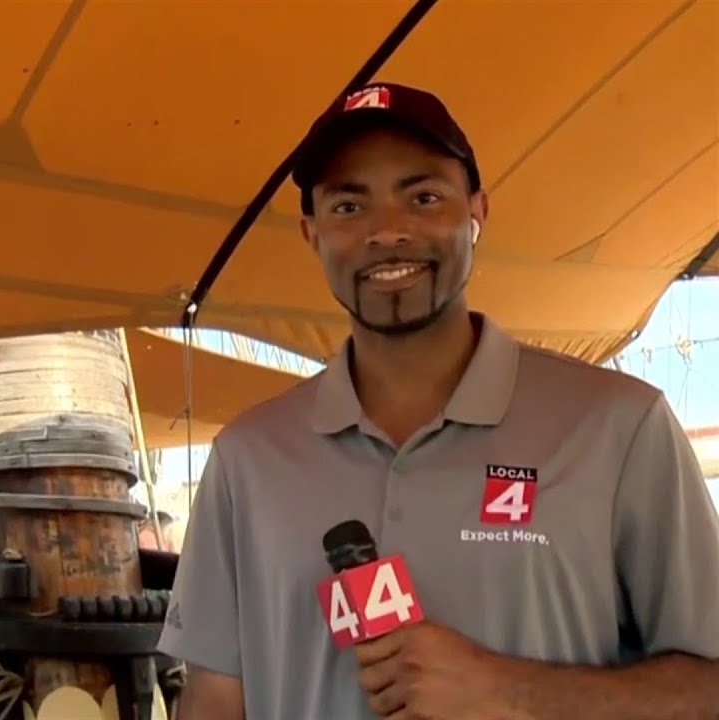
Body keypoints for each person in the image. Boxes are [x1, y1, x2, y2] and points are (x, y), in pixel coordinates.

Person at [157, 83, 719, 720]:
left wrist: (509, 691)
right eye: (348, 205)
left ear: (476, 210)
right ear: (311, 232)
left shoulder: (618, 428)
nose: (387, 231)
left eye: (423, 197)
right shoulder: (248, 459)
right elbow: (214, 702)